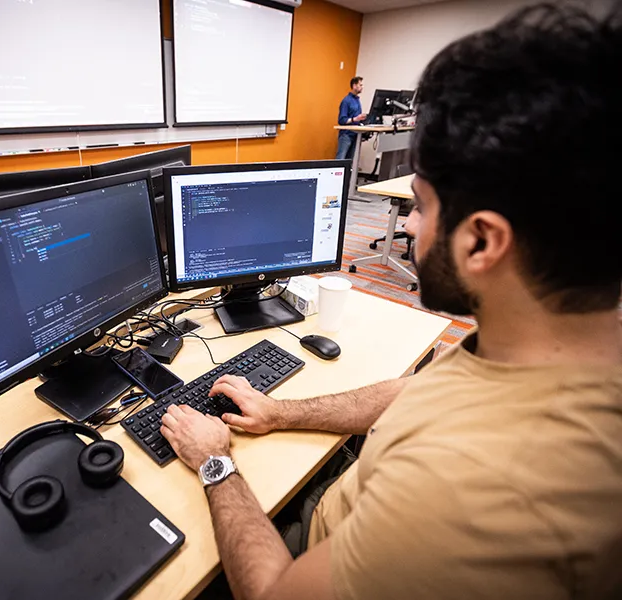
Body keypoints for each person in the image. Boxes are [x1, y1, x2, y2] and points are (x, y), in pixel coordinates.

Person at [159, 4, 622, 599]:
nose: (409, 228)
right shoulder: (553, 345)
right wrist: (280, 413)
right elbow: (422, 391)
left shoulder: (476, 491)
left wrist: (216, 463)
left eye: (421, 206)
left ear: (482, 240)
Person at [335, 76, 366, 160]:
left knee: (350, 161)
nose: (362, 87)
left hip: (355, 134)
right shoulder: (346, 101)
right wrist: (355, 119)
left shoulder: (357, 100)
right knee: (340, 159)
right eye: (360, 85)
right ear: (354, 86)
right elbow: (341, 120)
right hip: (346, 135)